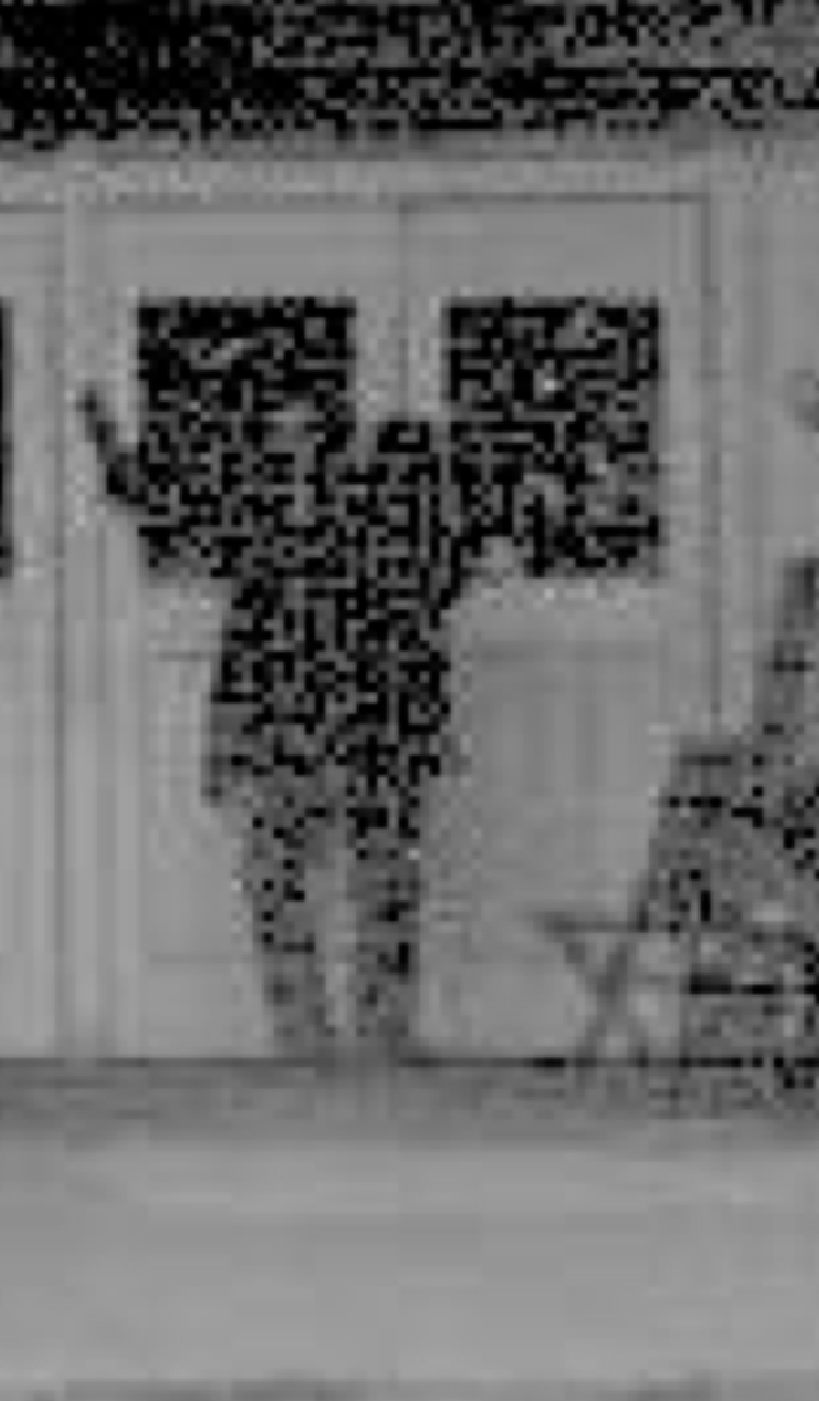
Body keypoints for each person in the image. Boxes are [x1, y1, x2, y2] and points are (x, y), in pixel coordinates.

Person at [83, 390, 511, 1065]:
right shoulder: (255, 506)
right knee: (288, 872)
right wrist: (110, 448)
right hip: (290, 718)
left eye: (309, 432)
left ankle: (378, 1031)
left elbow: (444, 570)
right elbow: (163, 506)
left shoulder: (383, 505)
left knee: (379, 875)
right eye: (282, 433)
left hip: (370, 717)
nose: (296, 447)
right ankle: (304, 1030)